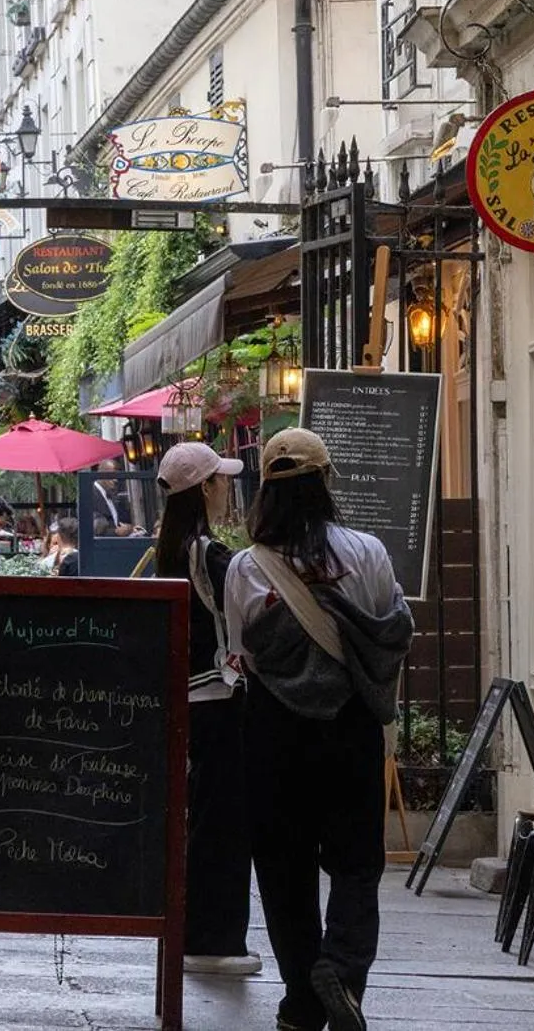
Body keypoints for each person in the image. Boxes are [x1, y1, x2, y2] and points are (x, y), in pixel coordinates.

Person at [224, 429, 413, 1031]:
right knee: (357, 863)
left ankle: (302, 1002)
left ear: (265, 490)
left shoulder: (246, 568)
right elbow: (389, 631)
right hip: (350, 727)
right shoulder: (369, 553)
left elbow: (242, 655)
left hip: (274, 732)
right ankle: (343, 971)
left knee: (284, 869)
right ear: (327, 480)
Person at [155, 440, 260, 980]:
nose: (227, 488)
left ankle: (196, 930)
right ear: (204, 489)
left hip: (188, 699)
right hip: (218, 698)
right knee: (224, 822)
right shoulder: (209, 554)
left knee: (202, 818)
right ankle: (214, 938)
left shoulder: (168, 550)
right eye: (220, 480)